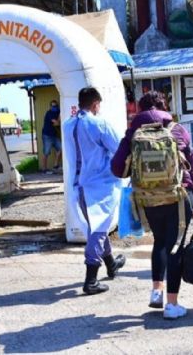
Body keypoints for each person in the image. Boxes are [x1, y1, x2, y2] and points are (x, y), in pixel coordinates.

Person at [111, 91, 193, 320]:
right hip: (179, 195)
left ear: (140, 110)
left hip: (148, 198)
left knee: (160, 242)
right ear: (165, 106)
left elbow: (116, 168)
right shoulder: (178, 130)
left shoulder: (134, 132)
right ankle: (172, 305)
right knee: (175, 246)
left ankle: (157, 290)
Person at [62, 88, 126, 295]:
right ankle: (90, 280)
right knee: (98, 230)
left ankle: (111, 264)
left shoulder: (68, 125)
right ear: (95, 104)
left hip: (78, 185)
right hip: (100, 185)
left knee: (96, 225)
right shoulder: (99, 124)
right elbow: (119, 148)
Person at [42, 100, 62, 174]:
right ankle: (44, 169)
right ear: (50, 106)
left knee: (60, 148)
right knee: (46, 152)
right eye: (53, 106)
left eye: (56, 106)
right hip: (47, 135)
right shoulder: (49, 113)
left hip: (54, 135)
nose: (54, 107)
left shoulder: (58, 111)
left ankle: (55, 165)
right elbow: (56, 123)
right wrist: (60, 116)